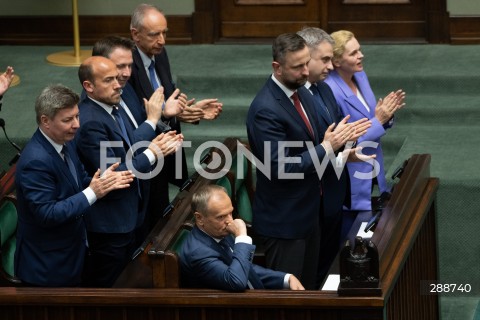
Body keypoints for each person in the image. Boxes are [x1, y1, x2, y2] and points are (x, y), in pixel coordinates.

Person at [246, 33, 365, 289]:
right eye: (297, 66)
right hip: (285, 224)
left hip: (311, 214)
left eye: (306, 63)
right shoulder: (265, 110)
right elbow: (281, 168)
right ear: (277, 68)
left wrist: (340, 153)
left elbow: (313, 148)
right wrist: (327, 148)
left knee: (310, 289)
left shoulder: (303, 93)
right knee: (289, 298)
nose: (304, 71)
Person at [75, 56, 184, 287]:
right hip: (110, 225)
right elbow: (114, 173)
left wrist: (159, 138)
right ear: (89, 86)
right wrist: (153, 153)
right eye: (109, 80)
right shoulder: (92, 122)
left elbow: (129, 144)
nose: (118, 84)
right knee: (110, 287)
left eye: (117, 78)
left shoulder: (110, 108)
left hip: (129, 217)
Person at [14, 84, 134, 287]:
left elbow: (77, 180)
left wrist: (102, 183)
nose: (77, 125)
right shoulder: (35, 162)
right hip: (48, 268)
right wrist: (93, 192)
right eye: (68, 120)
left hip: (73, 252)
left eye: (77, 116)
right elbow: (47, 213)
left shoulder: (65, 142)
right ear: (45, 121)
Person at [129, 3, 223, 232]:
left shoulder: (159, 55)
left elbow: (168, 100)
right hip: (144, 153)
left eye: (164, 33)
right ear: (135, 34)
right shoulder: (126, 67)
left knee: (165, 212)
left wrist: (190, 111)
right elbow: (133, 116)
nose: (162, 40)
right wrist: (164, 112)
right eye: (154, 34)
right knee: (151, 222)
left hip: (167, 148)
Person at [296, 27, 373, 285]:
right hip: (307, 203)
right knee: (306, 276)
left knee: (325, 267)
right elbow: (303, 152)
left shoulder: (322, 90)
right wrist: (333, 145)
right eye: (325, 60)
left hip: (331, 198)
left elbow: (338, 133)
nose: (330, 66)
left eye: (331, 59)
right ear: (306, 58)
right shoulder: (295, 97)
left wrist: (345, 149)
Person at [90, 35, 185, 243]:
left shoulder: (125, 90)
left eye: (129, 66)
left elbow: (134, 134)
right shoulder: (92, 116)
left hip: (142, 199)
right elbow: (115, 167)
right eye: (119, 66)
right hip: (118, 216)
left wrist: (162, 118)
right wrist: (152, 144)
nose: (125, 73)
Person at [324, 30, 405, 237]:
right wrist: (379, 120)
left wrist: (385, 117)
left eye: (359, 50)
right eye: (353, 53)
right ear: (336, 61)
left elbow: (373, 116)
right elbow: (346, 140)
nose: (361, 56)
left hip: (373, 165)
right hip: (351, 174)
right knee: (351, 240)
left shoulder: (359, 75)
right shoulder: (330, 90)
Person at [179, 184, 305, 291]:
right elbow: (236, 280)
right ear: (200, 218)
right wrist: (242, 237)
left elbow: (245, 267)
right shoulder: (198, 254)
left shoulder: (217, 232)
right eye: (221, 217)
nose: (230, 221)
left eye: (230, 213)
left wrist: (285, 278)